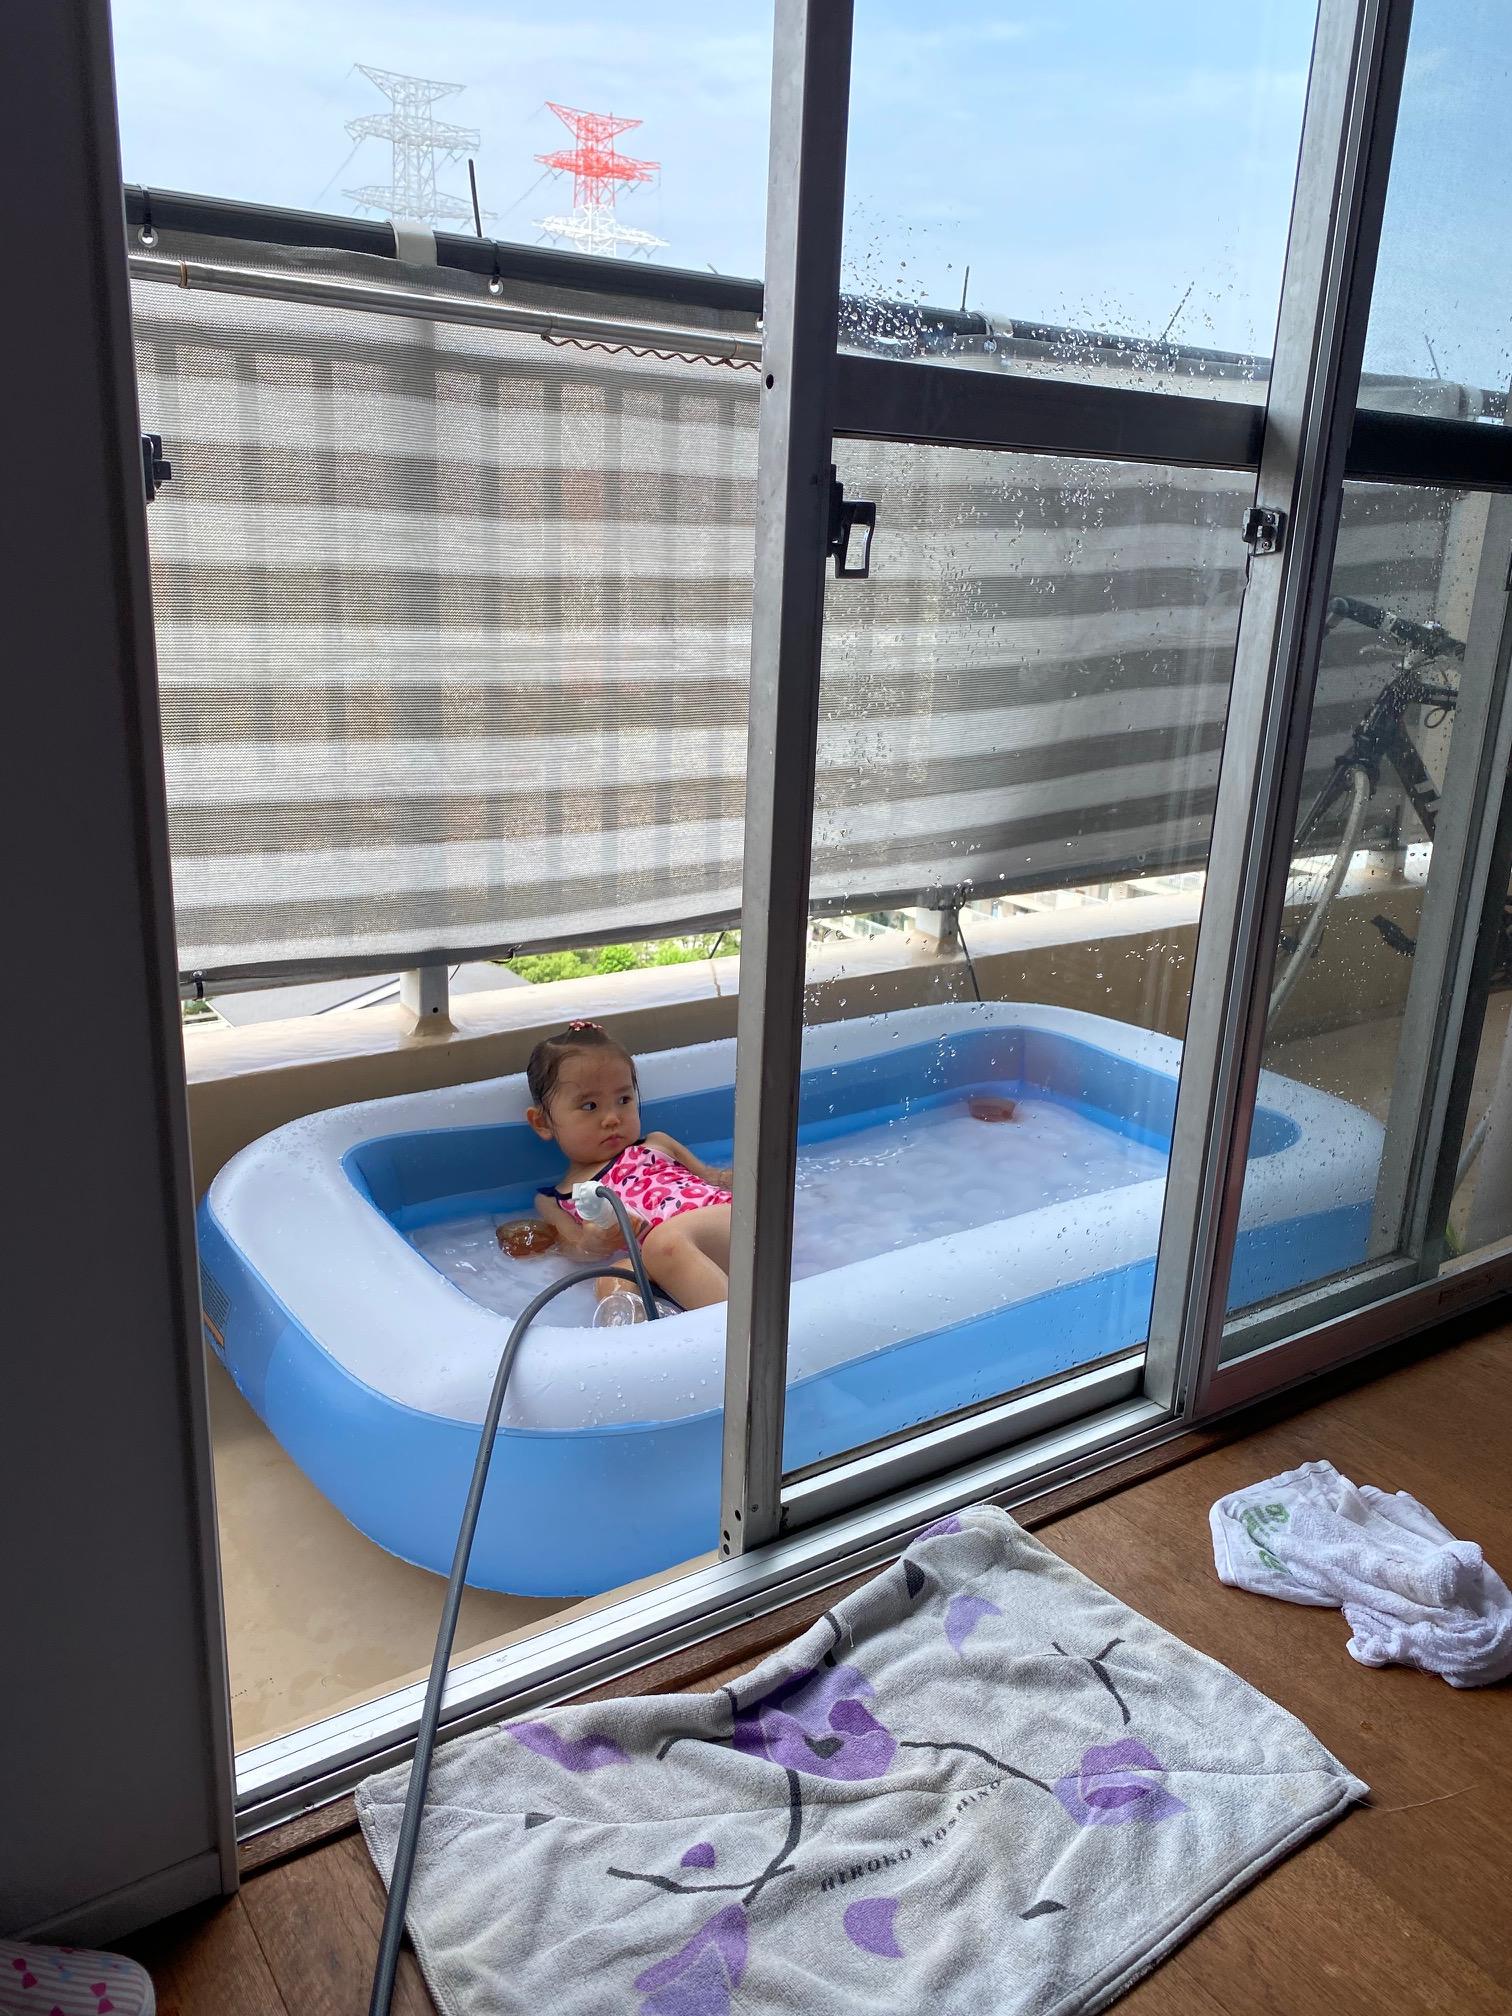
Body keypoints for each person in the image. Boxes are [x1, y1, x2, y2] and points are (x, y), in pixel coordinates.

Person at [525, 1021, 734, 1311]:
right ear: (542, 1122)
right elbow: (573, 1249)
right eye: (590, 1106)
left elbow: (714, 1178)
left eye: (623, 1099)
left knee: (665, 1242)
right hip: (661, 1261)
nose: (613, 1118)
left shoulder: (656, 1143)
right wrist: (594, 1243)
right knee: (612, 1279)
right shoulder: (552, 1200)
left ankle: (743, 1331)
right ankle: (650, 1332)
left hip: (726, 1226)